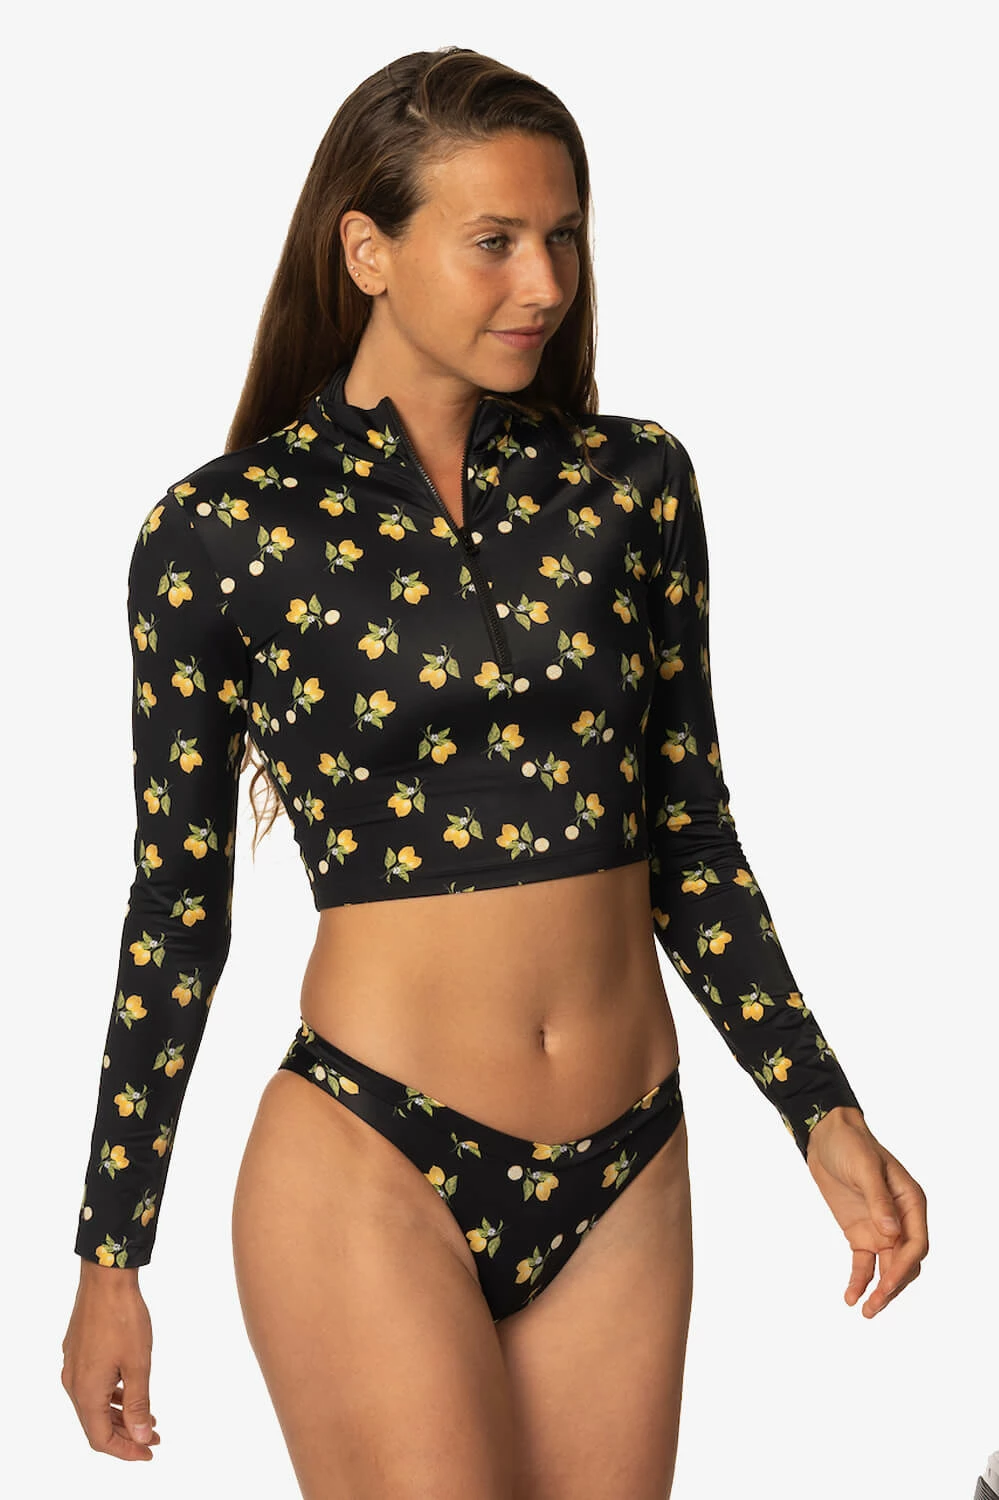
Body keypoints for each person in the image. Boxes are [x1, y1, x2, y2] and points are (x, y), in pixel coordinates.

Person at [60, 45, 929, 1499]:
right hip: (369, 1151)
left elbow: (689, 835)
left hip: (627, 1164)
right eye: (495, 242)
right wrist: (110, 1256)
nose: (545, 282)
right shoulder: (219, 536)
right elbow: (177, 912)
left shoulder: (633, 485)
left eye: (563, 236)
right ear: (368, 252)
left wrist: (821, 1112)